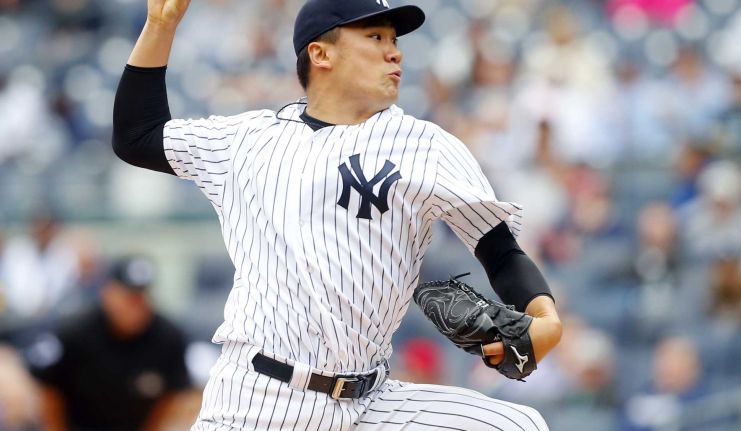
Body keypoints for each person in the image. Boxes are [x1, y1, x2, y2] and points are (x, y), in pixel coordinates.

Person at [112, 0, 563, 429]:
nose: (394, 52)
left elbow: (499, 249)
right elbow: (137, 135)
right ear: (320, 53)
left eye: (395, 39)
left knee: (516, 424)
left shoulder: (426, 145)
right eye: (375, 36)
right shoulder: (245, 142)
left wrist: (546, 319)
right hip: (257, 400)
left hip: (372, 402)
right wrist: (160, 27)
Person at [27, 256, 191, 431]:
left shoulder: (168, 336)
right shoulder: (74, 333)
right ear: (108, 294)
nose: (136, 305)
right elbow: (49, 388)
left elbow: (174, 394)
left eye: (142, 296)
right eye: (129, 297)